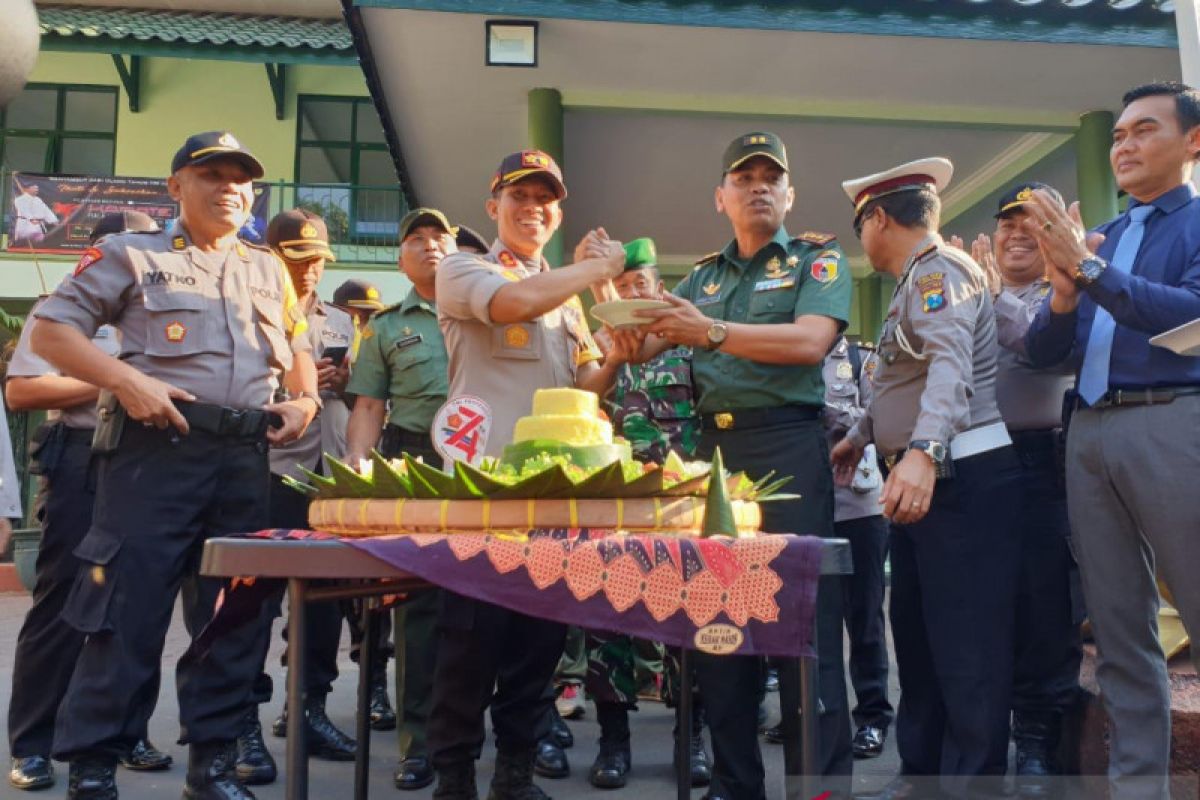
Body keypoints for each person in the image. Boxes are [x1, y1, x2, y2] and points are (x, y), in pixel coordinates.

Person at [30, 130, 319, 800]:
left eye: (240, 179)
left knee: (234, 616)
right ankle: (95, 766)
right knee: (125, 611)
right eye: (211, 175)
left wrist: (304, 400)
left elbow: (298, 341)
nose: (228, 189)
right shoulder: (131, 253)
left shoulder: (267, 267)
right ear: (175, 186)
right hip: (155, 453)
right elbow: (50, 331)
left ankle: (213, 765)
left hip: (246, 455)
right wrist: (126, 382)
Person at [637, 131, 852, 800]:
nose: (758, 185)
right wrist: (623, 326)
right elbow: (647, 339)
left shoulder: (818, 260)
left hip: (786, 446)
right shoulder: (701, 277)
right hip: (713, 459)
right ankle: (735, 784)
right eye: (744, 176)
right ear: (721, 197)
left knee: (802, 621)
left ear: (789, 194)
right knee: (717, 625)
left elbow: (811, 342)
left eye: (771, 177)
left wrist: (712, 332)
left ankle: (818, 787)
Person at [428, 148, 629, 800]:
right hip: (480, 488)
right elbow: (512, 304)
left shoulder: (569, 302)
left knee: (537, 642)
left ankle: (513, 776)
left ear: (557, 211)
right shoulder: (463, 266)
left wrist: (617, 355)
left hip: (550, 492)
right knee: (467, 644)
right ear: (494, 207)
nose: (532, 207)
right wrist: (594, 268)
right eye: (519, 195)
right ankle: (453, 778)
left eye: (545, 198)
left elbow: (584, 385)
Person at [1022, 81, 1200, 800]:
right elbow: (1044, 353)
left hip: (1170, 423)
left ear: (1194, 142)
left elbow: (1189, 315)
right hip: (1088, 431)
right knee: (1121, 632)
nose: (1124, 145)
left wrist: (1089, 271)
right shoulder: (1103, 232)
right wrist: (1066, 291)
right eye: (1118, 135)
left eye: (1144, 131)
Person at [831, 157, 1021, 799]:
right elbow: (898, 380)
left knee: (965, 643)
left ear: (879, 218)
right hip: (926, 479)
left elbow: (949, 367)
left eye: (861, 225)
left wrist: (923, 452)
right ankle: (925, 775)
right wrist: (860, 436)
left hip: (959, 476)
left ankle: (974, 785)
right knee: (916, 635)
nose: (862, 238)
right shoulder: (913, 281)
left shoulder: (941, 272)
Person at [7, 211, 172, 793]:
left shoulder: (166, 306)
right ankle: (33, 744)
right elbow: (23, 388)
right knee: (63, 601)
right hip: (82, 452)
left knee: (138, 602)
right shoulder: (64, 309)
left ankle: (125, 733)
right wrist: (113, 378)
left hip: (153, 459)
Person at [960, 182, 1082, 791]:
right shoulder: (967, 292)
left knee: (1042, 607)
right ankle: (983, 735)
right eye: (1007, 222)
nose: (1015, 233)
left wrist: (989, 301)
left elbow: (1047, 355)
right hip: (973, 461)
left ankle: (1036, 741)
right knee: (981, 605)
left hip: (1043, 462)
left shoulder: (1069, 294)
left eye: (1032, 224)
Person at [577, 236, 710, 790]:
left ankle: (692, 738)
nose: (635, 293)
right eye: (625, 285)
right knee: (607, 621)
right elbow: (580, 399)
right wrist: (611, 354)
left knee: (693, 618)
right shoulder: (601, 346)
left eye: (643, 284)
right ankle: (613, 742)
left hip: (682, 505)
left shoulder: (688, 345)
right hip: (615, 505)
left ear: (660, 289)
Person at [234, 209, 358, 786]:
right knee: (252, 602)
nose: (309, 271)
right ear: (271, 256)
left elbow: (365, 396)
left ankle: (306, 711)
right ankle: (241, 724)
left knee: (327, 600)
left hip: (326, 473)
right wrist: (297, 387)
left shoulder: (340, 321)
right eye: (297, 259)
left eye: (318, 261)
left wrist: (341, 382)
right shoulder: (243, 310)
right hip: (270, 470)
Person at [345, 207, 456, 792]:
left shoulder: (488, 306)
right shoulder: (384, 327)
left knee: (499, 595)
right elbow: (367, 408)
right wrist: (362, 471)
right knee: (418, 609)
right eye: (416, 238)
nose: (430, 245)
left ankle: (512, 733)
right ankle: (419, 741)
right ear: (400, 259)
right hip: (415, 463)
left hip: (486, 464)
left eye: (440, 236)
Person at [807, 337, 893, 759]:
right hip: (804, 501)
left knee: (863, 616)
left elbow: (879, 414)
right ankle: (811, 715)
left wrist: (822, 411)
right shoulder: (784, 354)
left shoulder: (860, 356)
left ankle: (873, 716)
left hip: (858, 505)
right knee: (805, 616)